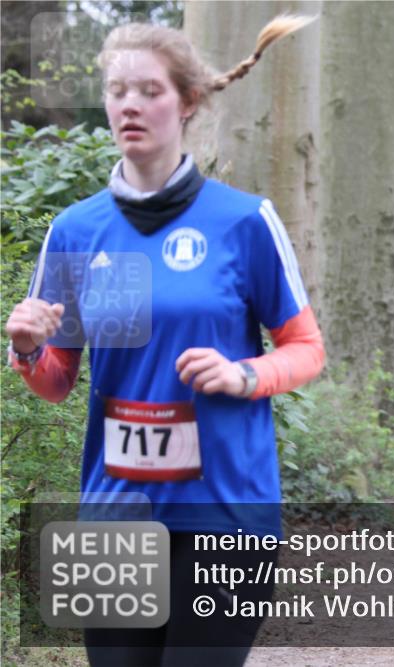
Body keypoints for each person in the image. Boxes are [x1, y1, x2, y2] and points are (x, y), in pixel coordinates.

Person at [5, 16, 323, 666]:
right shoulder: (76, 230)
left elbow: (306, 349)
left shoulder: (244, 220)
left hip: (226, 513)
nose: (129, 104)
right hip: (115, 516)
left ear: (187, 101)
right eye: (118, 90)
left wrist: (244, 376)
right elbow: (58, 381)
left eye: (149, 89)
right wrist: (27, 348)